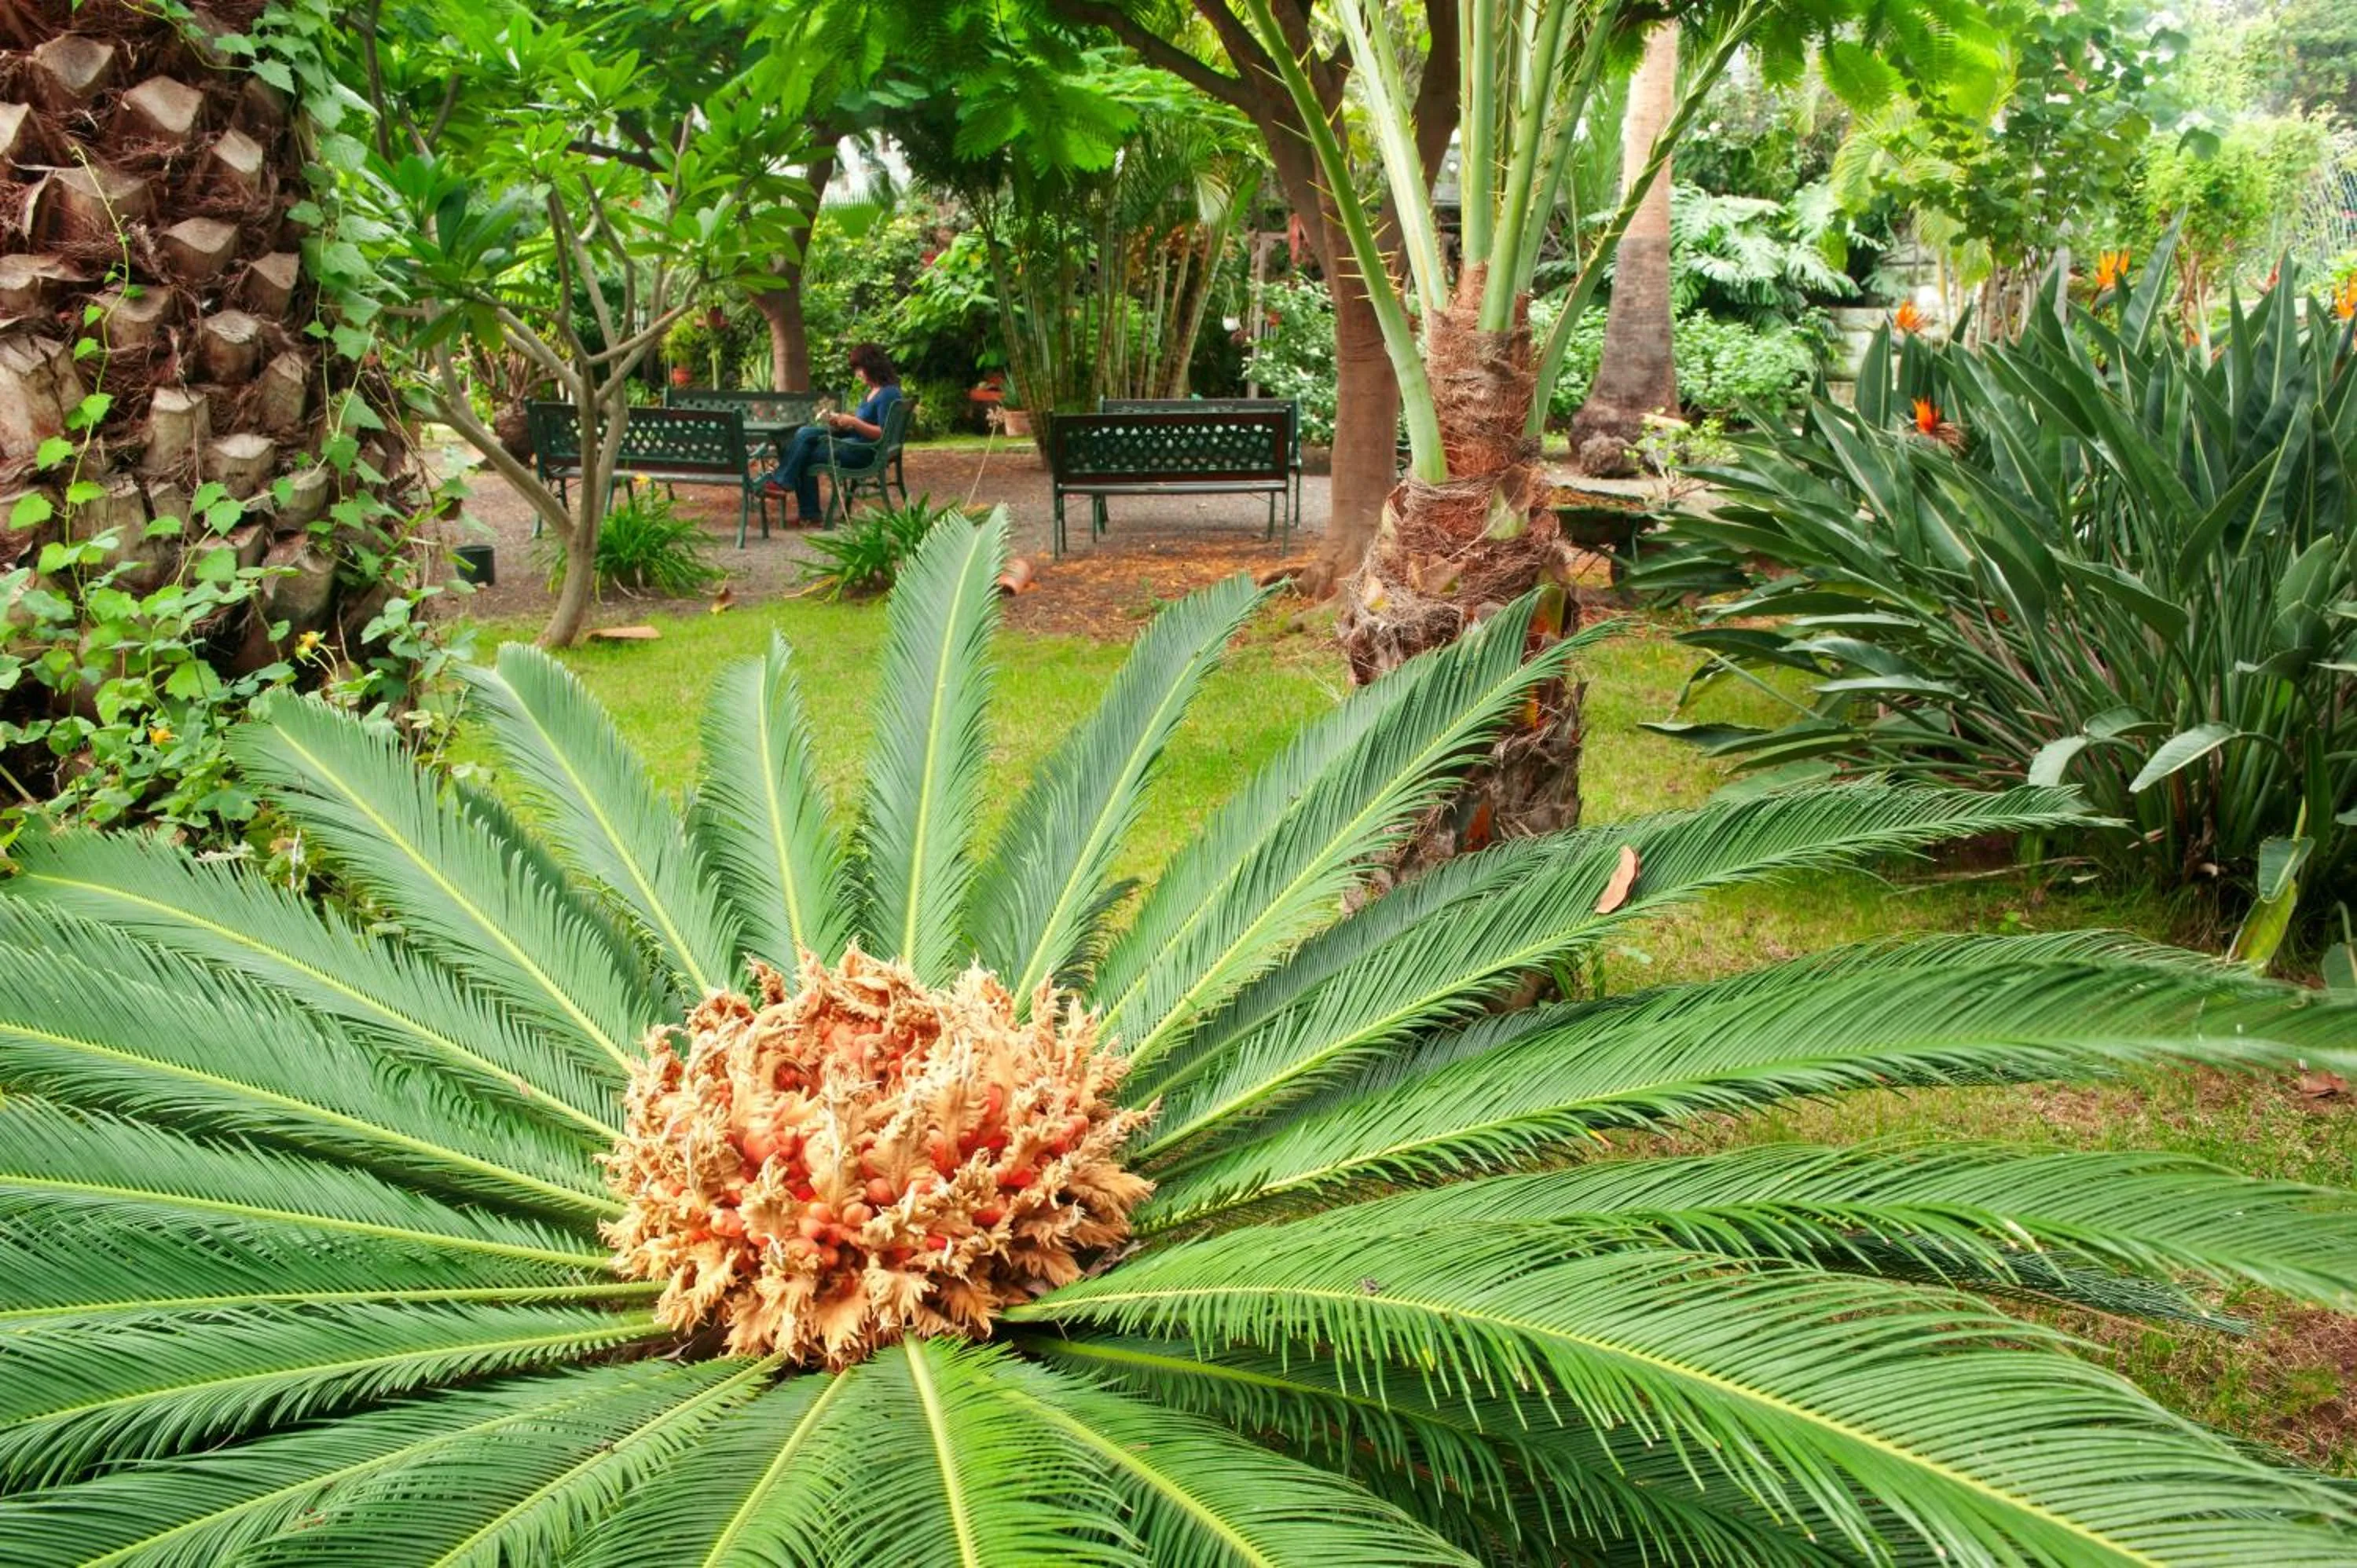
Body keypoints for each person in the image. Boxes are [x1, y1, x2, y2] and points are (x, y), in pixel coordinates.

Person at [761, 343, 902, 525]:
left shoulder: (888, 394)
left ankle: (798, 501)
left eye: (859, 369)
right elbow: (863, 424)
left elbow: (882, 434)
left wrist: (853, 422)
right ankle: (786, 485)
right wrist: (841, 421)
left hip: (865, 451)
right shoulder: (874, 391)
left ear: (871, 366)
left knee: (805, 453)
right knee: (805, 434)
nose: (857, 374)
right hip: (855, 441)